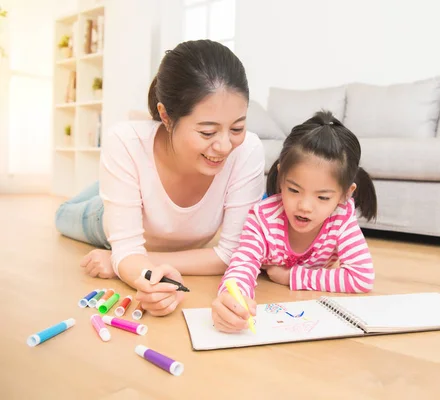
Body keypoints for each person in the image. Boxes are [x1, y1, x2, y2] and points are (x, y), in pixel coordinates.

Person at [54, 40, 265, 316]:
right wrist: (129, 260)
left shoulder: (247, 150)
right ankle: (112, 189)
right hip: (102, 217)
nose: (225, 146)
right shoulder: (125, 141)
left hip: (146, 225)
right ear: (165, 115)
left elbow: (230, 254)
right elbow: (127, 248)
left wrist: (131, 263)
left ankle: (119, 185)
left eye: (237, 127)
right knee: (62, 215)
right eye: (207, 132)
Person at [211, 110, 377, 333]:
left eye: (322, 197)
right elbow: (242, 265)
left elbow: (361, 277)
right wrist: (232, 299)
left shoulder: (341, 217)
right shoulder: (262, 218)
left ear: (345, 194)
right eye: (294, 190)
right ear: (281, 178)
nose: (305, 206)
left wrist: (292, 277)